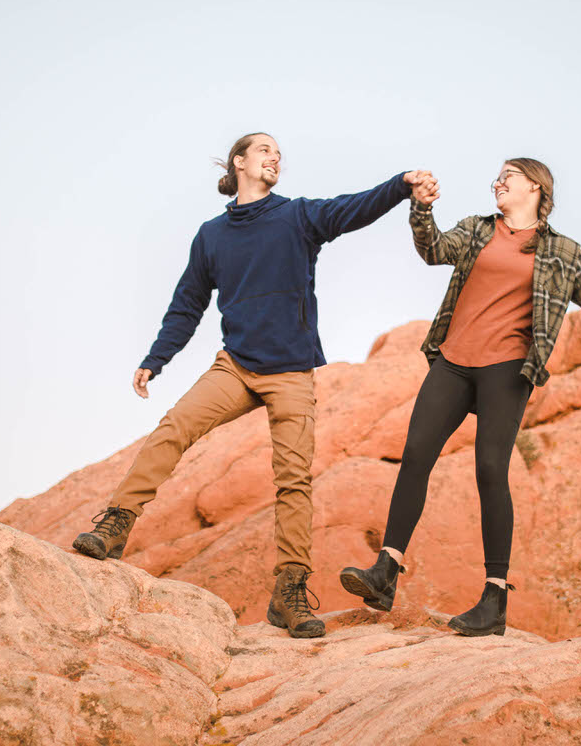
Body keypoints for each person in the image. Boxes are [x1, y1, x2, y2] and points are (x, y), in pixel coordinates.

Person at [73, 131, 438, 639]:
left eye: (279, 154)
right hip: (236, 366)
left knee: (293, 480)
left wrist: (400, 186)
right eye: (264, 150)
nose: (275, 157)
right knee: (174, 428)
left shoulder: (298, 217)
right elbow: (188, 304)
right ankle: (115, 525)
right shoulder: (211, 235)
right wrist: (157, 357)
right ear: (239, 163)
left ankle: (289, 591)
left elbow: (352, 209)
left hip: (290, 371)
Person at [340, 158, 581, 636]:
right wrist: (421, 210)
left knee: (490, 468)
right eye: (496, 178)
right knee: (416, 454)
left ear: (535, 186)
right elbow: (432, 250)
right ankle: (385, 572)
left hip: (508, 368)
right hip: (453, 360)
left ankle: (494, 600)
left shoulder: (562, 253)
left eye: (507, 176)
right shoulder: (477, 229)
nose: (497, 183)